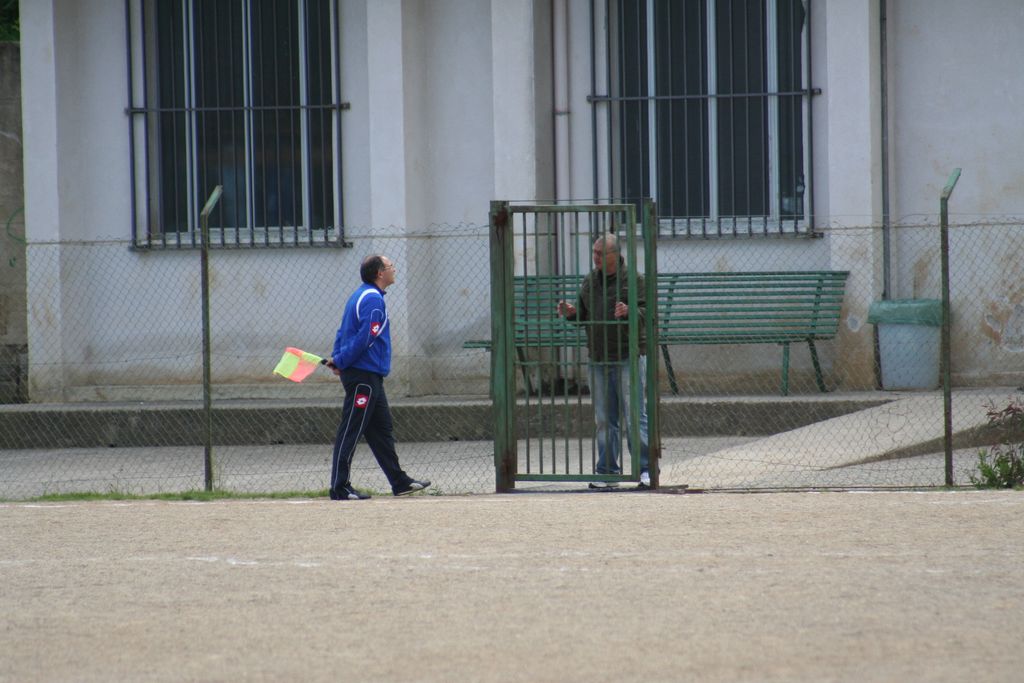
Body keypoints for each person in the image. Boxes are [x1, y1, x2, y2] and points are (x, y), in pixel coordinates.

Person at [325, 255, 431, 500]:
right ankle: (340, 487)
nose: (394, 269)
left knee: (381, 430)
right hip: (363, 376)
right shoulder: (372, 299)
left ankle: (399, 482)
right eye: (390, 266)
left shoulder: (361, 295)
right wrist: (341, 361)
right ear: (380, 273)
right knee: (351, 429)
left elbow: (343, 331)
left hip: (369, 376)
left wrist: (338, 358)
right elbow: (365, 337)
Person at [557, 234, 652, 488]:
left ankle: (645, 469)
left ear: (615, 255)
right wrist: (571, 313)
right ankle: (607, 471)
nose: (595, 257)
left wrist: (630, 311)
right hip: (598, 358)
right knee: (603, 419)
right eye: (594, 252)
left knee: (635, 416)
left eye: (600, 253)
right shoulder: (590, 281)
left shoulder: (634, 280)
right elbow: (583, 314)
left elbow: (649, 313)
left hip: (627, 355)